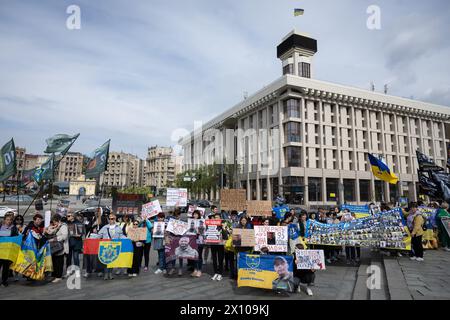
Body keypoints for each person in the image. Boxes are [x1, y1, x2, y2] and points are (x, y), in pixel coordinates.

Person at [98, 213, 124, 280]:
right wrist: (92, 237)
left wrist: (128, 239)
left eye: (112, 218)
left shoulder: (118, 228)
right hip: (105, 247)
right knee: (105, 261)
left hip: (114, 247)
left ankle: (110, 273)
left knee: (112, 261)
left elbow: (121, 236)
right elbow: (99, 235)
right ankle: (106, 274)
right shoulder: (105, 227)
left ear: (115, 219)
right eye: (109, 218)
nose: (111, 220)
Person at [44, 214, 69, 283]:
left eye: (55, 221)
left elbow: (64, 236)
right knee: (54, 261)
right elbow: (52, 232)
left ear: (58, 220)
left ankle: (58, 276)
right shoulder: (57, 226)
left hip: (61, 247)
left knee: (59, 262)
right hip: (55, 247)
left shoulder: (63, 226)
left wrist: (55, 239)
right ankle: (54, 275)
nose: (54, 223)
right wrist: (47, 230)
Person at [0, 212, 19, 287]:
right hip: (0, 251)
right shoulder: (0, 226)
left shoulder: (14, 228)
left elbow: (16, 238)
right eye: (7, 220)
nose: (9, 221)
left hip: (8, 252)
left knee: (6, 267)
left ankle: (4, 281)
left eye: (10, 220)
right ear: (4, 220)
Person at [210, 213, 225, 281]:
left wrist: (223, 228)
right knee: (214, 259)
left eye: (217, 217)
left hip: (221, 244)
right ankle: (215, 272)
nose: (216, 218)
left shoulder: (223, 224)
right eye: (215, 217)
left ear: (220, 218)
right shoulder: (211, 224)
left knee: (220, 259)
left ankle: (220, 273)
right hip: (213, 243)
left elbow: (226, 234)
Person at [191, 210, 204, 277]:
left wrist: (200, 231)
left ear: (199, 215)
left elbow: (203, 230)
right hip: (193, 241)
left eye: (196, 214)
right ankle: (195, 269)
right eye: (194, 214)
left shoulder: (201, 221)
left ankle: (199, 270)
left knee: (199, 255)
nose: (195, 216)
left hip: (200, 240)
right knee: (194, 255)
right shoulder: (191, 221)